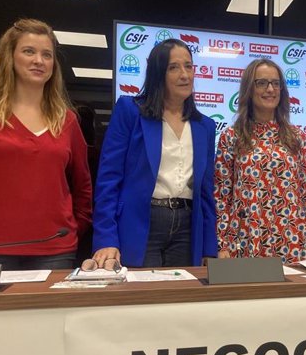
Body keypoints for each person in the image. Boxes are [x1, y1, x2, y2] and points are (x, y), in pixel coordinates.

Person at [0, 18, 92, 270]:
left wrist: (73, 228)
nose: (38, 61)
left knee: (53, 312)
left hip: (54, 250)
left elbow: (83, 186)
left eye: (47, 55)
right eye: (28, 51)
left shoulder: (67, 120)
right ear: (10, 57)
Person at [92, 39, 217, 268]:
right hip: (141, 221)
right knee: (142, 297)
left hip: (187, 228)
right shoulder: (130, 111)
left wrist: (210, 248)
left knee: (181, 299)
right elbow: (109, 180)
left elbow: (207, 193)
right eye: (174, 67)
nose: (184, 75)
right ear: (158, 73)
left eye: (188, 66)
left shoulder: (205, 126)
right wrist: (105, 237)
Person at [214, 58, 306, 263]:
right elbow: (221, 196)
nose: (270, 89)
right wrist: (222, 244)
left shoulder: (296, 137)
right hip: (245, 239)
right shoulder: (231, 137)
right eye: (262, 83)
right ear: (248, 90)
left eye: (275, 83)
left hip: (290, 240)